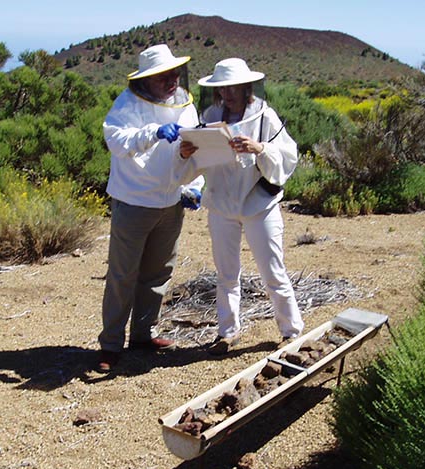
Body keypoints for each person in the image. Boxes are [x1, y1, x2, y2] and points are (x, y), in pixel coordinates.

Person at [96, 44, 203, 372]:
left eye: (174, 73)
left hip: (170, 202)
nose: (171, 80)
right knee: (122, 275)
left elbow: (196, 148)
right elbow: (115, 139)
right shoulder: (127, 103)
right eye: (163, 76)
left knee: (159, 272)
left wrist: (194, 187)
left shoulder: (185, 104)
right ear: (147, 79)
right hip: (134, 200)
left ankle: (143, 334)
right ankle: (111, 344)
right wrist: (152, 133)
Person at [186, 58, 304, 354]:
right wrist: (189, 151)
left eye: (232, 87)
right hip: (222, 203)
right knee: (226, 273)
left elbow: (288, 156)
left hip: (258, 204)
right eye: (222, 88)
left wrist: (260, 148)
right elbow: (201, 158)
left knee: (273, 271)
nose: (227, 93)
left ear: (245, 86)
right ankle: (227, 331)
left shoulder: (265, 117)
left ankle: (292, 331)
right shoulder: (210, 115)